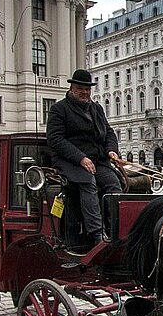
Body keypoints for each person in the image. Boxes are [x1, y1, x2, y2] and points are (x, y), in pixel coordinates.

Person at [46, 69, 121, 251]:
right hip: (69, 161)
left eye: (87, 89)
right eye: (80, 89)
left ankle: (115, 229)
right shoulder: (59, 109)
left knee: (113, 183)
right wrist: (80, 158)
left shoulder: (96, 109)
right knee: (88, 182)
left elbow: (109, 132)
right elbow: (55, 139)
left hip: (97, 160)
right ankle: (97, 234)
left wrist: (111, 150)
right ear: (72, 88)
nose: (85, 92)